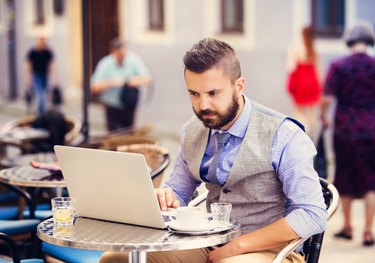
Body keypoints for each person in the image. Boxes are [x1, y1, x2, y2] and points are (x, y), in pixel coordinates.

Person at [100, 38, 327, 263]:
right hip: (208, 242)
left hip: (274, 252)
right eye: (194, 94)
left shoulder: (284, 134)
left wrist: (238, 246)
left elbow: (312, 214)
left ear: (239, 86)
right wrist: (164, 197)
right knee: (116, 258)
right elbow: (178, 191)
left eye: (213, 93)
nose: (203, 105)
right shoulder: (192, 130)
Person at [321, 22, 375, 246]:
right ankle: (368, 232)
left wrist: (324, 116)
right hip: (371, 129)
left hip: (344, 129)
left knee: (344, 177)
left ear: (350, 41)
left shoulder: (339, 65)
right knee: (371, 181)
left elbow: (326, 98)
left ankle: (347, 226)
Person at [91, 38, 152, 131]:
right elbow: (94, 87)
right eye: (119, 55)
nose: (122, 58)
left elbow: (148, 79)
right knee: (113, 135)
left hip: (129, 105)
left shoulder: (133, 60)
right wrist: (111, 82)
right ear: (112, 52)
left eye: (123, 55)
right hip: (111, 105)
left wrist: (135, 80)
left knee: (129, 133)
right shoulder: (105, 63)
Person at [286, 26, 321, 138]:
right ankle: (311, 132)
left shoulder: (296, 47)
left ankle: (303, 131)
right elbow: (318, 69)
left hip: (300, 80)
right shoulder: (314, 47)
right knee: (311, 112)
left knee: (298, 110)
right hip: (312, 80)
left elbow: (291, 66)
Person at [26, 36, 55, 115]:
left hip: (45, 74)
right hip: (36, 75)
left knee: (46, 94)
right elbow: (30, 66)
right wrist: (29, 78)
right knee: (40, 94)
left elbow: (51, 65)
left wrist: (53, 79)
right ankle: (40, 112)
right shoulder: (33, 52)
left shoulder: (47, 52)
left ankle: (42, 111)